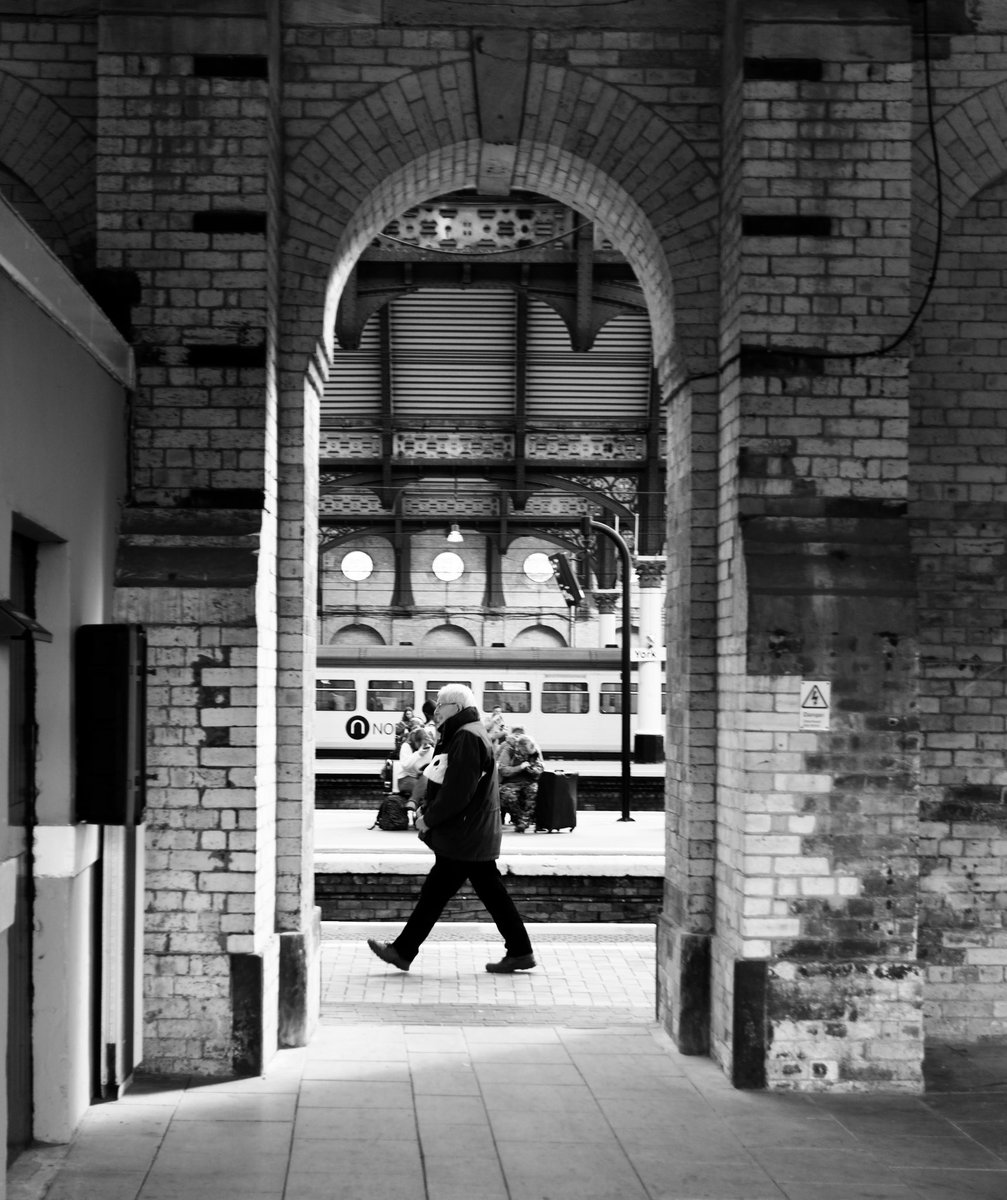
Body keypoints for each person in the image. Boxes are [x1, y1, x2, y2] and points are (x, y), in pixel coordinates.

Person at [367, 683, 536, 974]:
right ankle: (520, 950)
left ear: (454, 708)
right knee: (483, 890)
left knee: (441, 891)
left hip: (466, 832)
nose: (436, 710)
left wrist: (429, 818)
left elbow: (459, 791)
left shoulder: (467, 737)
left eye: (440, 705)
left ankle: (403, 951)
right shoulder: (466, 732)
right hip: (471, 831)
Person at [496, 728, 544, 832]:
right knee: (508, 795)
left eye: (528, 754)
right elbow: (503, 769)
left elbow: (540, 766)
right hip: (511, 782)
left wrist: (534, 769)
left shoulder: (534, 751)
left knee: (534, 791)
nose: (526, 755)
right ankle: (520, 819)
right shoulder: (509, 750)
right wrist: (520, 767)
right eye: (524, 753)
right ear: (519, 747)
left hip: (528, 781)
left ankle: (524, 821)